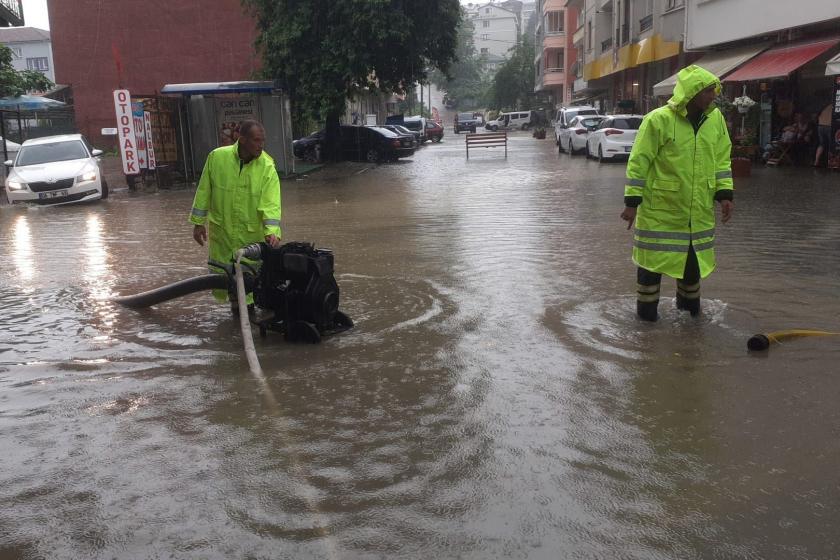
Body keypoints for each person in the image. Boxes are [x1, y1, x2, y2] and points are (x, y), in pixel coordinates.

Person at [620, 65, 734, 321]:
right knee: (650, 271)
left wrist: (725, 194)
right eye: (707, 91)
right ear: (692, 93)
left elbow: (722, 159)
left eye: (713, 91)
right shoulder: (658, 120)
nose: (712, 96)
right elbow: (639, 163)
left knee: (692, 273)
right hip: (661, 212)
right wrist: (631, 203)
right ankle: (645, 331)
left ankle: (689, 327)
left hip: (698, 214)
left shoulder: (715, 120)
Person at [189, 119, 281, 310]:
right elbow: (204, 190)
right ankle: (237, 318)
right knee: (227, 282)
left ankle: (246, 318)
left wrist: (272, 231)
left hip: (249, 238)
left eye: (262, 140)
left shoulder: (267, 167)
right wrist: (198, 223)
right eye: (256, 140)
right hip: (223, 234)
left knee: (249, 288)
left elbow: (271, 203)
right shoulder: (217, 158)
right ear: (242, 139)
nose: (260, 145)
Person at [814, 103, 833, 167]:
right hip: (829, 126)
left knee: (821, 144)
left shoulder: (826, 106)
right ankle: (832, 162)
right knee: (832, 144)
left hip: (820, 125)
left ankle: (816, 161)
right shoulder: (836, 106)